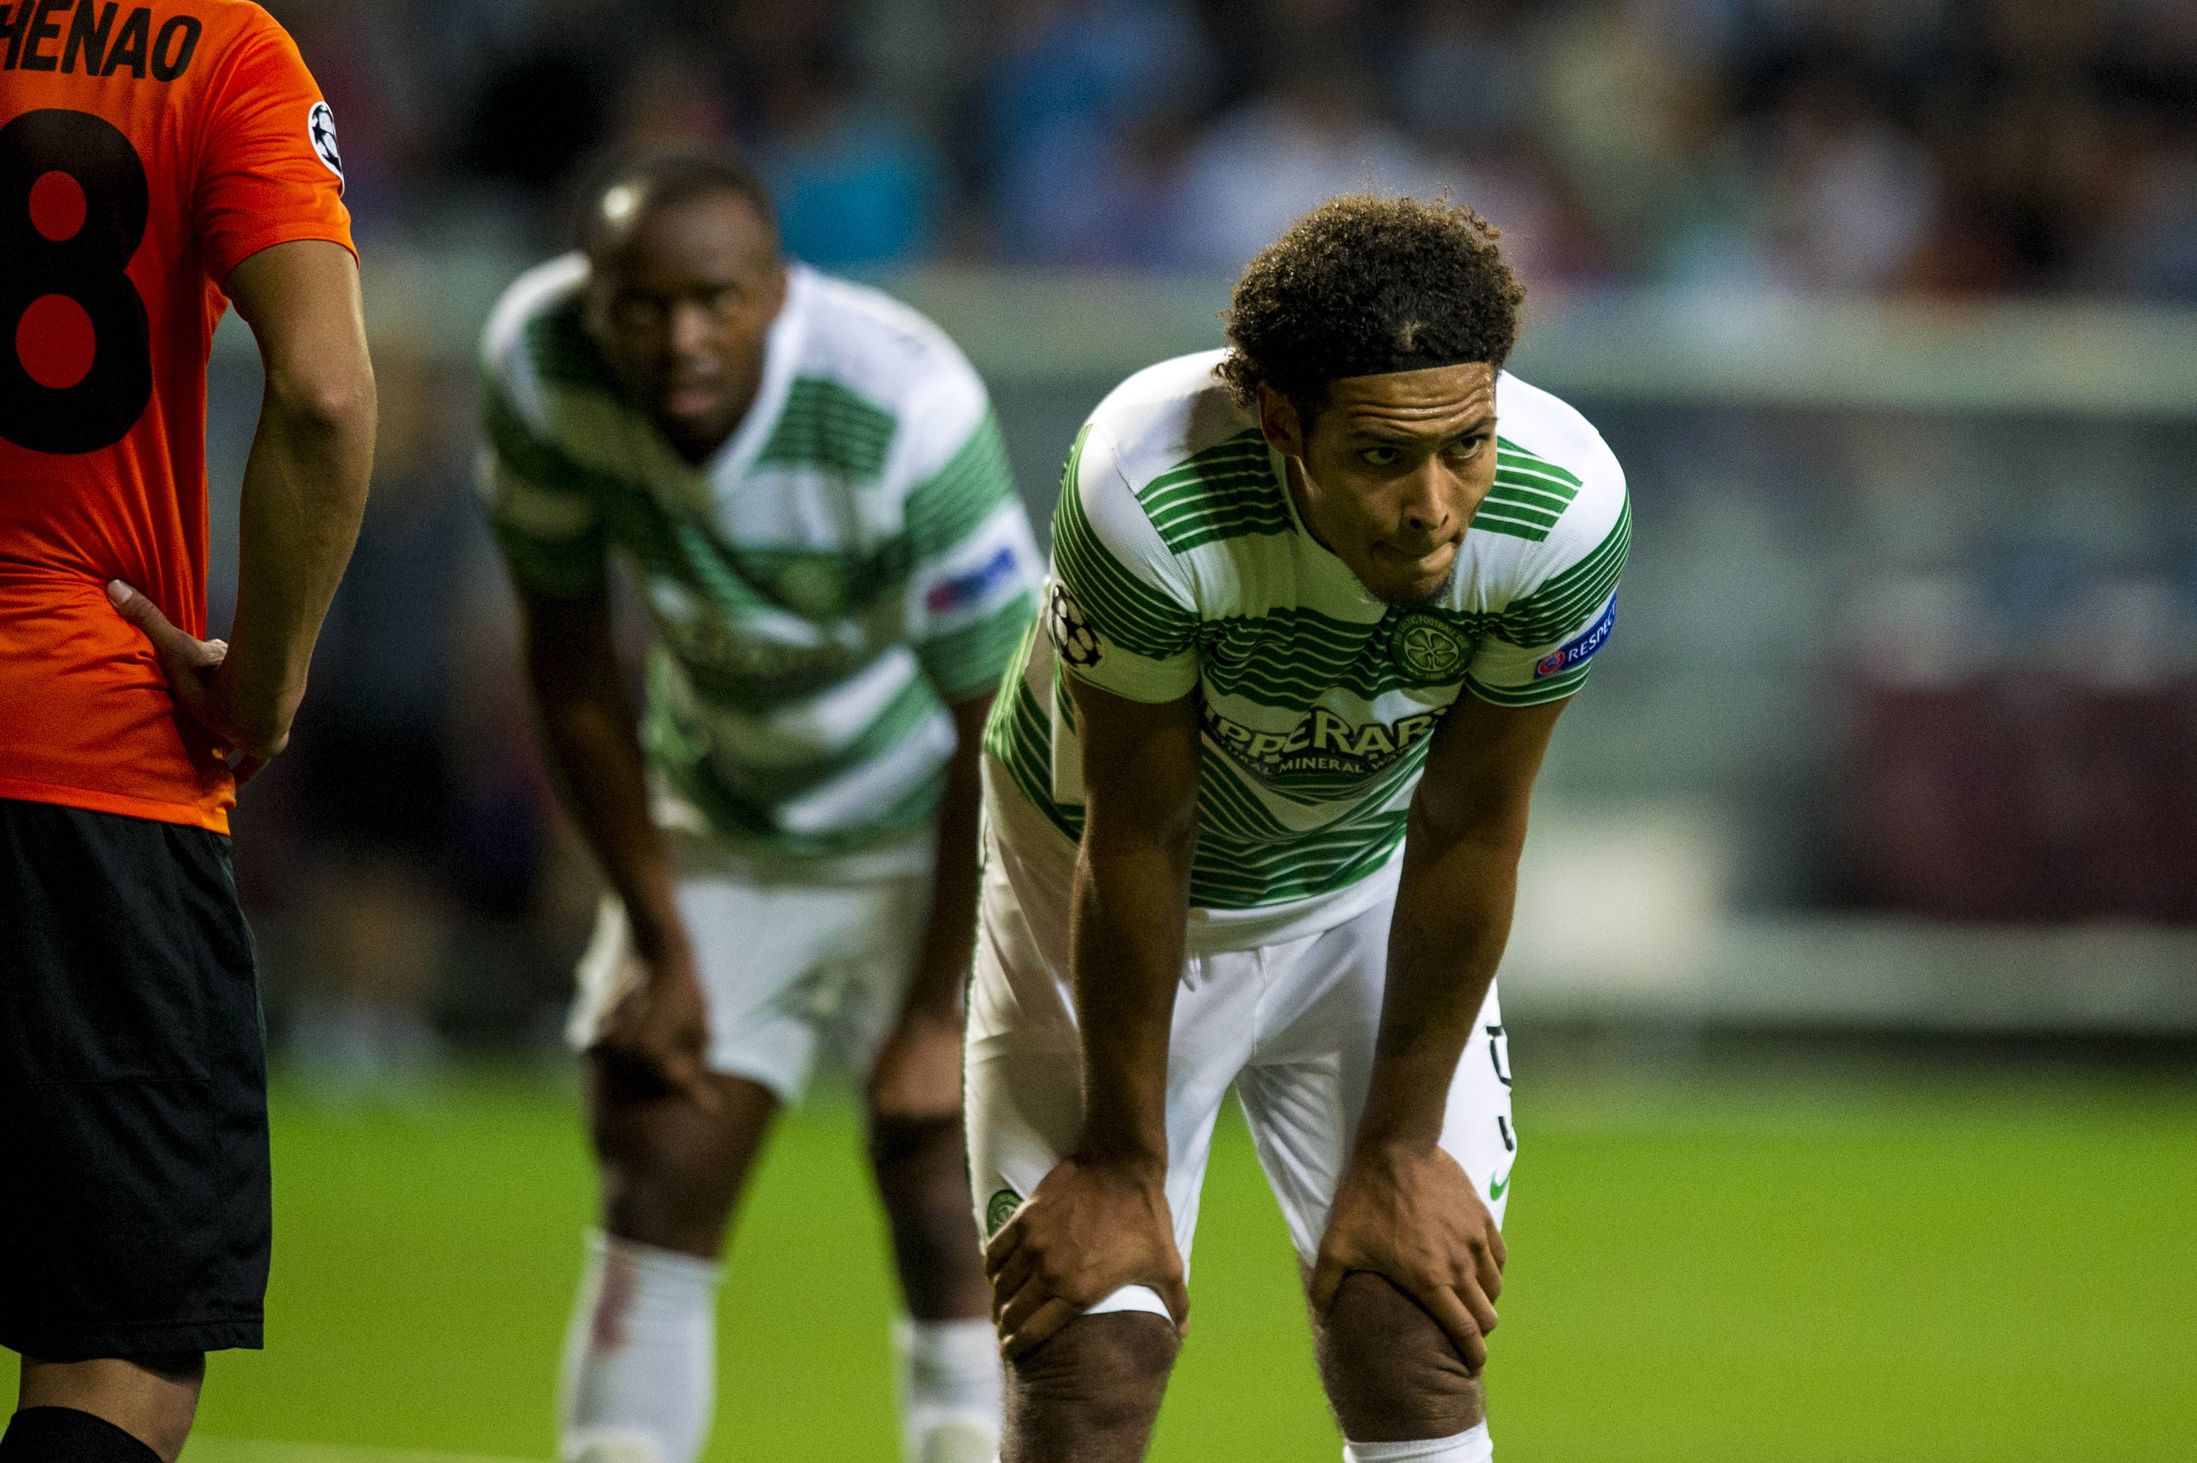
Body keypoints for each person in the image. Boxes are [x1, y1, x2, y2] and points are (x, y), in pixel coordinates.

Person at [969, 193, 1630, 1463]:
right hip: (1093, 887)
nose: (1434, 504)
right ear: (1282, 422)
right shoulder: (1145, 489)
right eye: (1382, 456)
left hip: (1360, 888)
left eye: (1467, 444)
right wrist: (1119, 1161)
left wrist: (1400, 1146)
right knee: (1089, 1352)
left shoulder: (1563, 512)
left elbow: (1471, 826)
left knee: (1410, 1318)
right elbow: (1140, 829)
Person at [477, 150, 1040, 1463]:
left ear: (779, 292)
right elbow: (568, 659)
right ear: (592, 298)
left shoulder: (902, 404)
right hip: (721, 819)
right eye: (643, 304)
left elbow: (1004, 722)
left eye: (716, 300)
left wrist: (935, 1010)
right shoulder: (539, 364)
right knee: (658, 1155)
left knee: (946, 1184)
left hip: (933, 823)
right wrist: (657, 932)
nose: (681, 337)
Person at [0, 2, 375, 1459]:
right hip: (83, 758)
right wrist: (264, 682)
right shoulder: (221, 50)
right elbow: (327, 393)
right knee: (114, 1350)